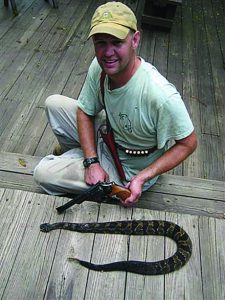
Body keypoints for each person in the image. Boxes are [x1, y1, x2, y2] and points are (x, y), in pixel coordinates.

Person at [34, 1, 197, 207]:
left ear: (135, 40)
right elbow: (85, 111)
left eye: (117, 42)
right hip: (109, 137)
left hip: (127, 171)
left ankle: (84, 167)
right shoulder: (100, 67)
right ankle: (86, 163)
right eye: (101, 42)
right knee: (53, 104)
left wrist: (142, 177)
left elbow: (189, 143)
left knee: (42, 173)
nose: (108, 52)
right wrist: (92, 162)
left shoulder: (161, 95)